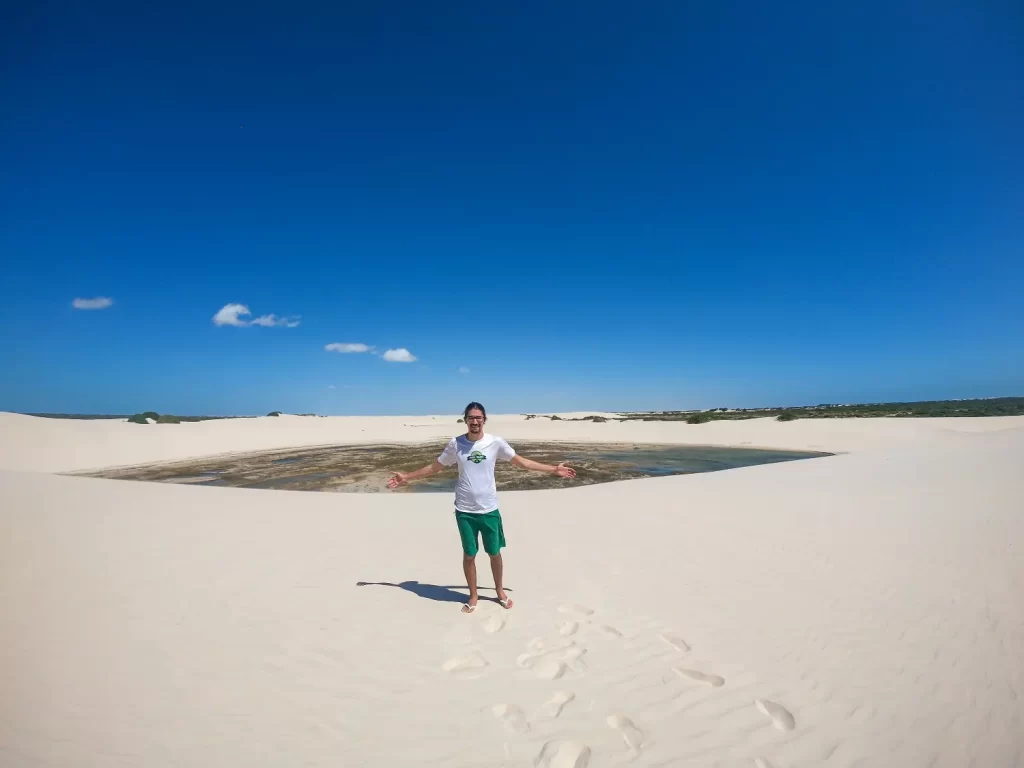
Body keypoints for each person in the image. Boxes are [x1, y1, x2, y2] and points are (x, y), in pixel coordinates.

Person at [387, 401, 577, 613]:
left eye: (478, 418)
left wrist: (553, 469)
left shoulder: (495, 443)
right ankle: (474, 595)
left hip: (489, 510)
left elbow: (522, 463)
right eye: (471, 418)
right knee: (469, 555)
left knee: (494, 553)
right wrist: (406, 477)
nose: (475, 421)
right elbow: (435, 467)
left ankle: (499, 591)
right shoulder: (456, 444)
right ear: (465, 420)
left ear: (484, 420)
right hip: (465, 512)